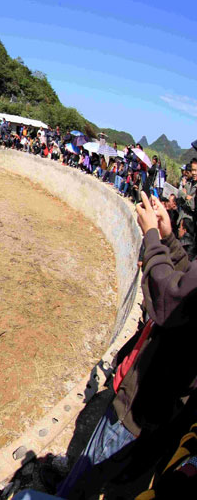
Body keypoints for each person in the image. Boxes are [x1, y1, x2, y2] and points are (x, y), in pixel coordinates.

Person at [57, 191, 197, 498]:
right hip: (162, 408)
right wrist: (168, 239)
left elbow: (169, 303)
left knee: (83, 482)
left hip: (142, 406)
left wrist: (151, 238)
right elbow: (187, 286)